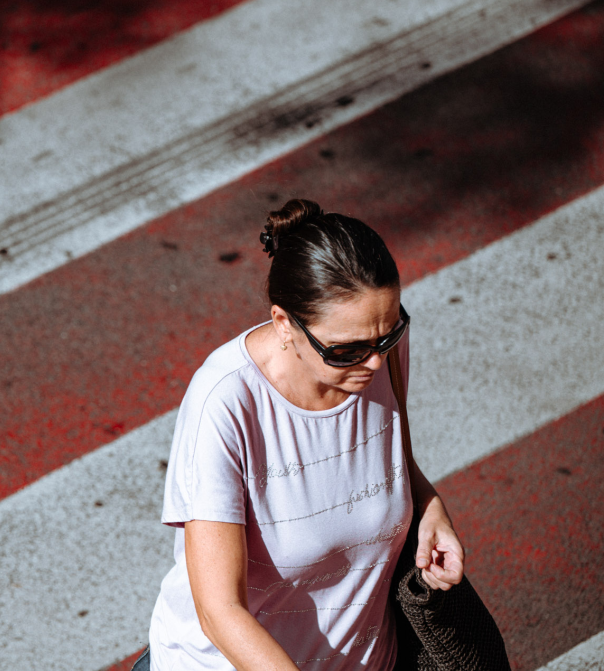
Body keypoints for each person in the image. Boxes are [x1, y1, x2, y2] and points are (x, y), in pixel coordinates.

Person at [135, 199, 465, 670]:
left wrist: (431, 510)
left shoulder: (377, 344)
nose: (374, 362)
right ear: (284, 324)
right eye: (346, 350)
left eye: (389, 335)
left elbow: (392, 460)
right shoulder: (226, 404)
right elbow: (218, 611)